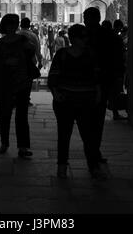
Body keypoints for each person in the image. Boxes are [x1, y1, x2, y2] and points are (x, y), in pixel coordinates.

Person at [48, 24, 104, 179]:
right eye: (83, 37)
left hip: (86, 101)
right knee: (64, 134)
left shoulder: (90, 54)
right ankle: (62, 166)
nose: (86, 40)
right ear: (74, 39)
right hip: (66, 101)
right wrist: (55, 93)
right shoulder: (62, 55)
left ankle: (93, 166)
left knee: (89, 136)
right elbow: (53, 77)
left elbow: (97, 77)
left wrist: (98, 93)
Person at [83, 7, 125, 166]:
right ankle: (94, 151)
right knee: (97, 121)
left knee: (87, 122)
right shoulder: (110, 36)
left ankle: (92, 152)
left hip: (86, 84)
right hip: (102, 82)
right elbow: (118, 61)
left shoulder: (84, 36)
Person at [0, 14, 35, 158]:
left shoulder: (23, 40)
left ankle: (22, 146)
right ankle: (4, 143)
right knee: (5, 114)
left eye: (15, 24)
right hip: (5, 82)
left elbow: (31, 54)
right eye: (10, 24)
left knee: (21, 116)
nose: (12, 26)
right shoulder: (0, 43)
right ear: (5, 25)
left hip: (21, 81)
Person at [18, 17, 43, 105]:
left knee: (18, 81)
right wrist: (40, 61)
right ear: (29, 25)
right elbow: (37, 50)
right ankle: (26, 99)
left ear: (20, 24)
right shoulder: (33, 36)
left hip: (18, 63)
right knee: (28, 82)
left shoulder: (16, 34)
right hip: (30, 62)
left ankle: (18, 99)